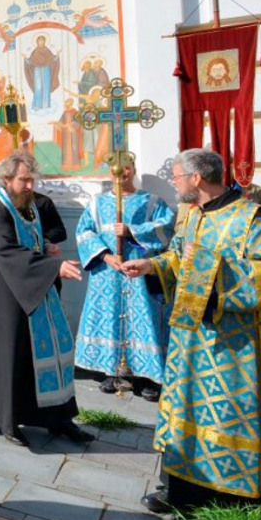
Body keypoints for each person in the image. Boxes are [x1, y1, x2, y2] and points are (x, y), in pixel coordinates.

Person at [120, 148, 261, 520]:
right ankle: (179, 491)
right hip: (189, 344)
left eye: (176, 176)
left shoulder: (251, 218)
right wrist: (152, 264)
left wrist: (213, 272)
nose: (173, 182)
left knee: (226, 420)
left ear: (197, 178)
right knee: (185, 414)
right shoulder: (192, 216)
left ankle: (231, 500)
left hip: (232, 350)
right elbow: (177, 258)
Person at [0, 150, 93, 448]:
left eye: (31, 179)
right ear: (6, 179)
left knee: (53, 354)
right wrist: (53, 266)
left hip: (37, 289)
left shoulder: (29, 206)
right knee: (13, 356)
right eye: (23, 180)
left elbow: (30, 241)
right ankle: (8, 422)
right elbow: (6, 251)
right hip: (7, 294)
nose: (29, 186)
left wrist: (45, 248)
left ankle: (59, 418)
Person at [74, 158, 174, 401]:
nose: (122, 173)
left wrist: (132, 231)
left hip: (138, 272)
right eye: (117, 168)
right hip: (107, 274)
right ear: (110, 172)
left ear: (134, 169)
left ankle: (146, 377)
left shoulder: (151, 201)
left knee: (145, 318)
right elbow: (83, 232)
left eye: (127, 167)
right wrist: (107, 256)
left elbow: (166, 228)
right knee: (109, 317)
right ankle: (112, 370)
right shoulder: (97, 203)